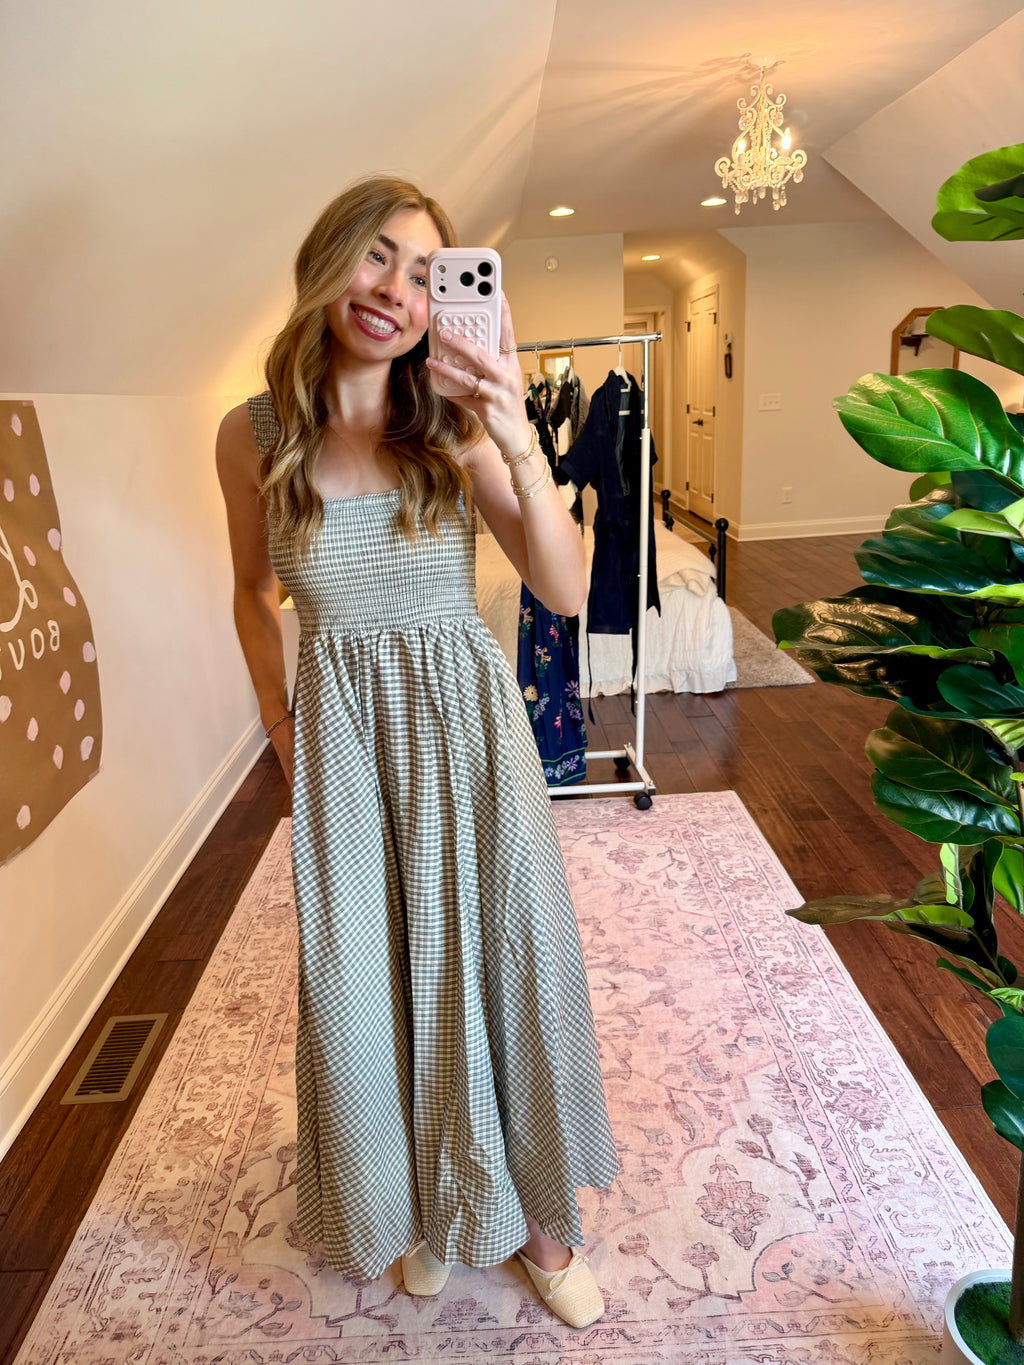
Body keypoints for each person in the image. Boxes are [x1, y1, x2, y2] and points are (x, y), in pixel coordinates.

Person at [215, 175, 619, 1330]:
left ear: (448, 296)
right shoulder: (247, 436)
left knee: (504, 966)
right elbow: (248, 595)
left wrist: (516, 437)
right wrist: (280, 730)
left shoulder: (446, 417)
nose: (394, 290)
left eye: (423, 271)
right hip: (344, 753)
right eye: (376, 256)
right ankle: (431, 1210)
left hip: (468, 739)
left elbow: (562, 585)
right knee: (375, 987)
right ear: (327, 258)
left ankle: (540, 1231)